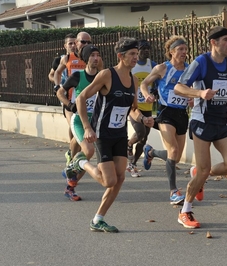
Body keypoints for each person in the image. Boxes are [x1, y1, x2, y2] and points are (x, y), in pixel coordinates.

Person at [63, 37, 154, 232]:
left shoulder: (134, 81)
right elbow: (81, 98)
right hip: (102, 134)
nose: (135, 58)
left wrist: (143, 119)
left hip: (120, 134)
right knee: (109, 181)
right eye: (132, 54)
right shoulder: (107, 75)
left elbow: (133, 109)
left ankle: (98, 219)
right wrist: (87, 127)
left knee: (120, 178)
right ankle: (81, 162)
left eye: (137, 54)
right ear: (120, 56)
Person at [174, 26, 227, 228]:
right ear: (214, 42)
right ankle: (185, 210)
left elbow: (223, 91)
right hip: (202, 121)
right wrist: (200, 94)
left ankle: (199, 173)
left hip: (221, 121)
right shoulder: (201, 62)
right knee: (204, 169)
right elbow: (179, 86)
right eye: (225, 40)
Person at [140, 36, 189, 205]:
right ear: (171, 52)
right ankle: (173, 191)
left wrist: (192, 98)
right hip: (166, 112)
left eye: (185, 49)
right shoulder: (162, 68)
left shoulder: (189, 69)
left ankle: (151, 152)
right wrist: (147, 95)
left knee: (175, 156)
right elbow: (144, 84)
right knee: (173, 150)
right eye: (180, 49)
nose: (184, 52)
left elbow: (195, 89)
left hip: (182, 114)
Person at [56, 44, 102, 201]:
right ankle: (71, 177)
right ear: (86, 58)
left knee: (85, 154)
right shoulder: (77, 76)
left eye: (98, 55)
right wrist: (69, 105)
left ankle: (70, 182)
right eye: (92, 55)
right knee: (88, 151)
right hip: (79, 120)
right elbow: (60, 92)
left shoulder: (103, 77)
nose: (96, 58)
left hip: (96, 121)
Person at [54, 32, 92, 166]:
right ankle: (73, 157)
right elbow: (57, 72)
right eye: (83, 42)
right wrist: (57, 86)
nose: (86, 45)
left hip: (87, 101)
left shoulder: (92, 58)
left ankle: (72, 153)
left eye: (88, 42)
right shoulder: (67, 58)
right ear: (76, 43)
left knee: (78, 132)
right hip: (70, 100)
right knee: (74, 126)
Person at [126, 39, 157, 177]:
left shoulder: (153, 65)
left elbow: (159, 81)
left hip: (148, 106)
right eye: (142, 49)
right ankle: (129, 144)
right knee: (140, 133)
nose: (145, 51)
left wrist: (155, 92)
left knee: (144, 139)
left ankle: (132, 164)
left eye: (147, 49)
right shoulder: (131, 66)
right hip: (134, 107)